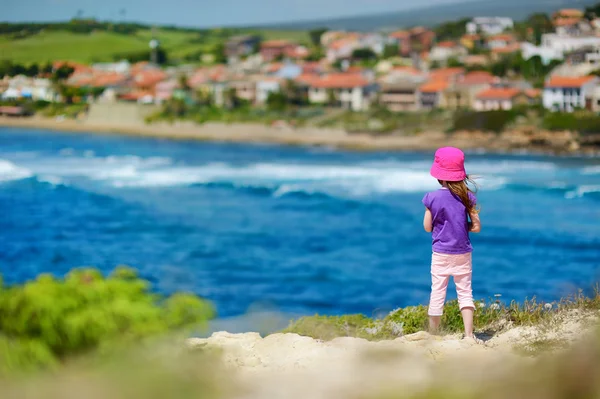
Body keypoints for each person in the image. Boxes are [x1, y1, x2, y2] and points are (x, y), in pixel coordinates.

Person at [422, 147, 482, 343]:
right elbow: (476, 227)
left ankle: (434, 335)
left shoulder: (431, 198)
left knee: (437, 292)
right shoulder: (467, 197)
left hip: (440, 252)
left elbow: (427, 227)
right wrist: (462, 225)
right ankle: (469, 335)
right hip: (463, 252)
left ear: (439, 175)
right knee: (465, 293)